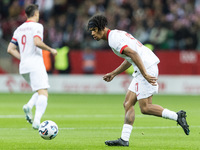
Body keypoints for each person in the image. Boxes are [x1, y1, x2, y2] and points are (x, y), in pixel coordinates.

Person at [87, 15, 190, 147]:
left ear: (101, 28)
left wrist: (145, 74)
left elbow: (134, 55)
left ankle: (177, 116)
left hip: (146, 68)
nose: (92, 33)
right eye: (91, 31)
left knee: (145, 108)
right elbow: (130, 58)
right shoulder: (115, 35)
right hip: (143, 68)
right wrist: (114, 73)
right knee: (128, 103)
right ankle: (124, 139)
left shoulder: (113, 39)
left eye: (94, 30)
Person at [7, 4, 57, 130]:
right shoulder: (37, 26)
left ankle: (29, 106)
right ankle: (37, 121)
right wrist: (50, 49)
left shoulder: (19, 29)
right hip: (35, 63)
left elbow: (10, 49)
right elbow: (37, 42)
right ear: (36, 14)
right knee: (44, 93)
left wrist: (22, 58)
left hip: (23, 66)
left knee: (39, 90)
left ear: (26, 14)